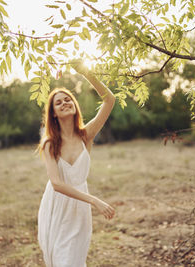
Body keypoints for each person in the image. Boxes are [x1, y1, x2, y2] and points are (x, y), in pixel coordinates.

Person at [37, 61, 116, 267]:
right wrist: (94, 200)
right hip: (57, 206)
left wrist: (85, 72)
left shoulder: (86, 136)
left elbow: (109, 100)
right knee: (62, 261)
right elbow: (57, 184)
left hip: (79, 210)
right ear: (53, 113)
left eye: (68, 99)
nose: (65, 103)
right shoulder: (49, 144)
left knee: (73, 261)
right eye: (58, 102)